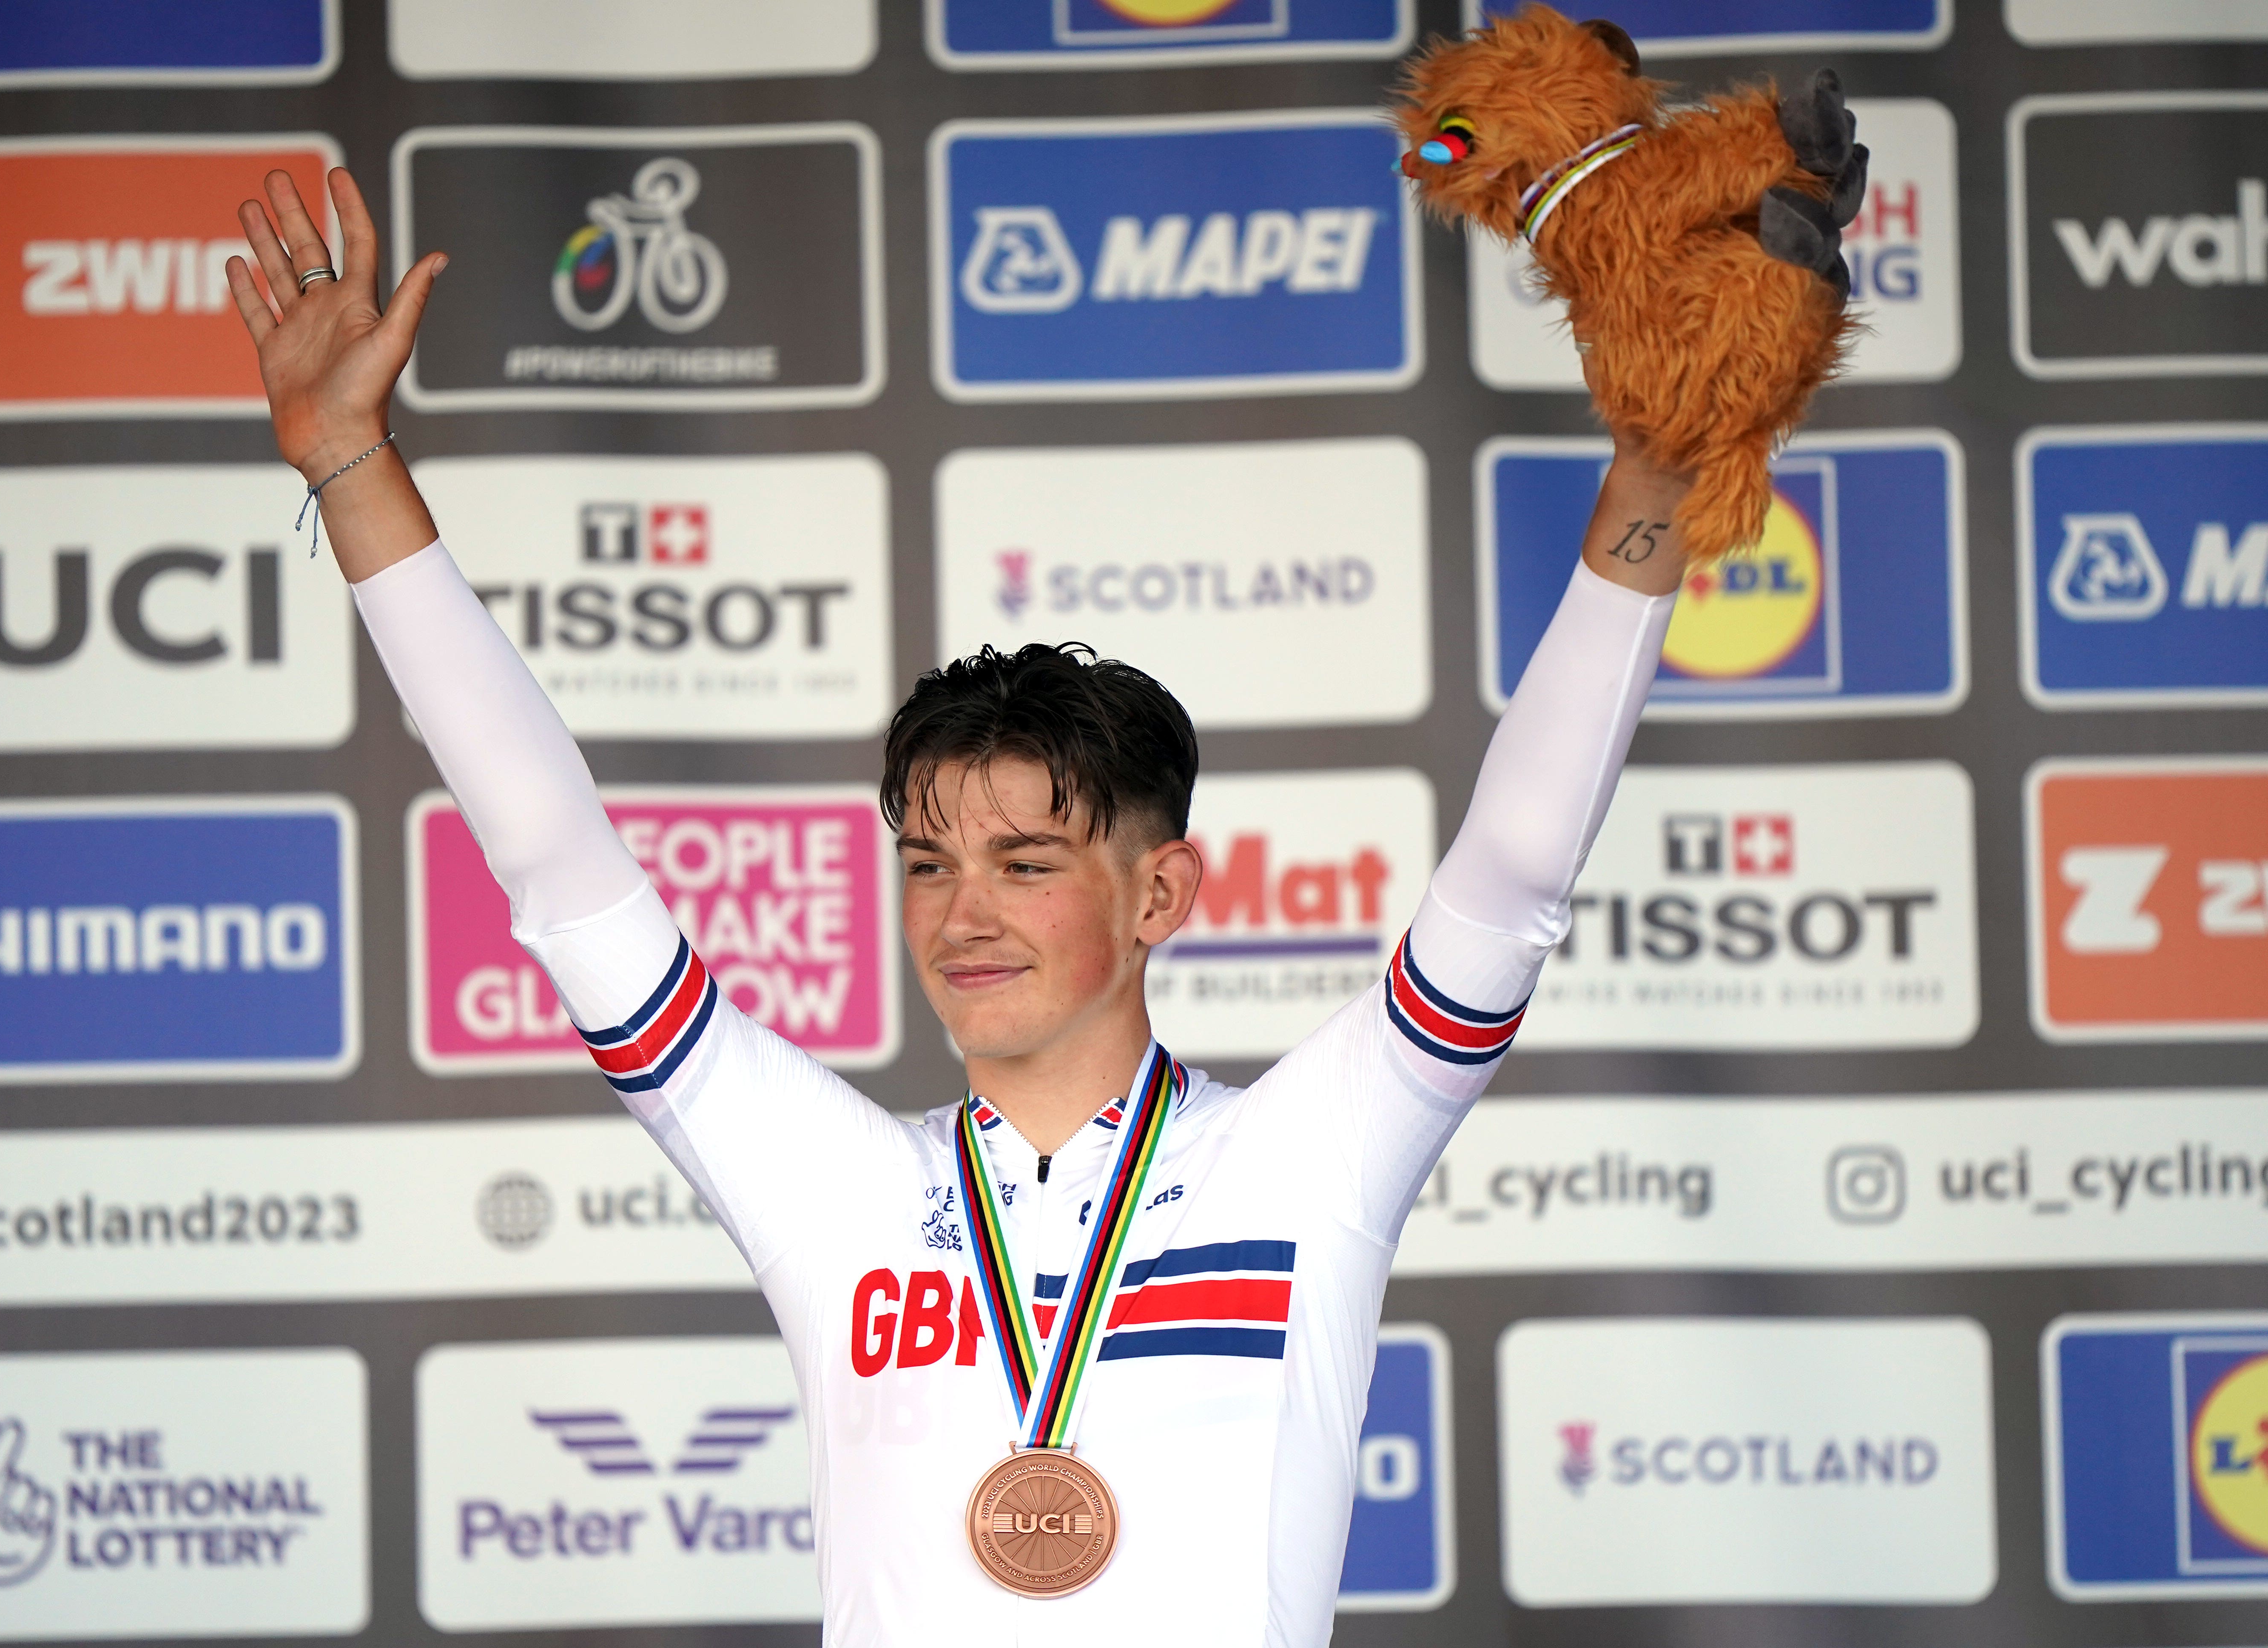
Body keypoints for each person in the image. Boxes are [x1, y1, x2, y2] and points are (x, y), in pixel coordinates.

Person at [227, 165, 1690, 1645]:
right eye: (927, 861)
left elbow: (1512, 869)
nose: (960, 913)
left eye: (1027, 861)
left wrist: (1648, 480)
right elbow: (557, 864)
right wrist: (350, 460)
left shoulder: (1309, 1156)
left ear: (1159, 891)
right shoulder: (835, 1187)